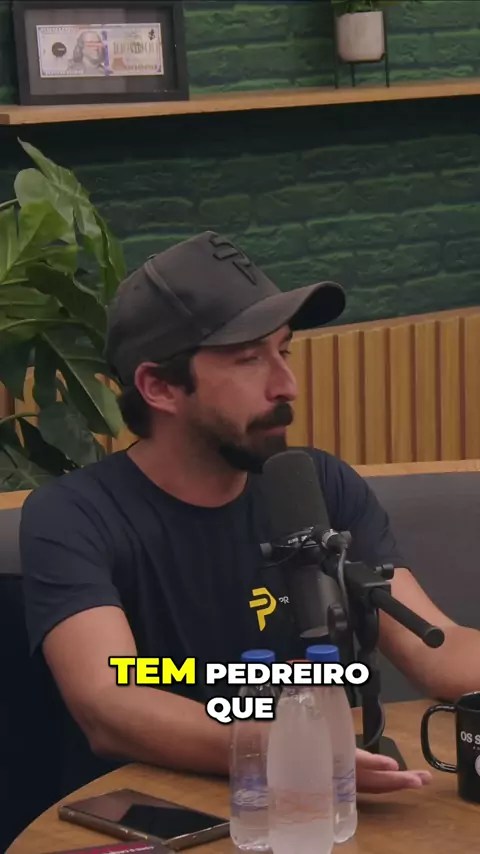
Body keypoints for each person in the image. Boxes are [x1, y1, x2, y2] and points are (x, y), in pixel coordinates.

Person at [23, 228, 470, 799]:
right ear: (160, 387)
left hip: (324, 807)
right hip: (162, 813)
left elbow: (439, 646)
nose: (288, 385)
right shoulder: (73, 515)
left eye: (284, 350)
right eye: (248, 359)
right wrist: (286, 749)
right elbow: (109, 703)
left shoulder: (318, 484)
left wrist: (307, 758)